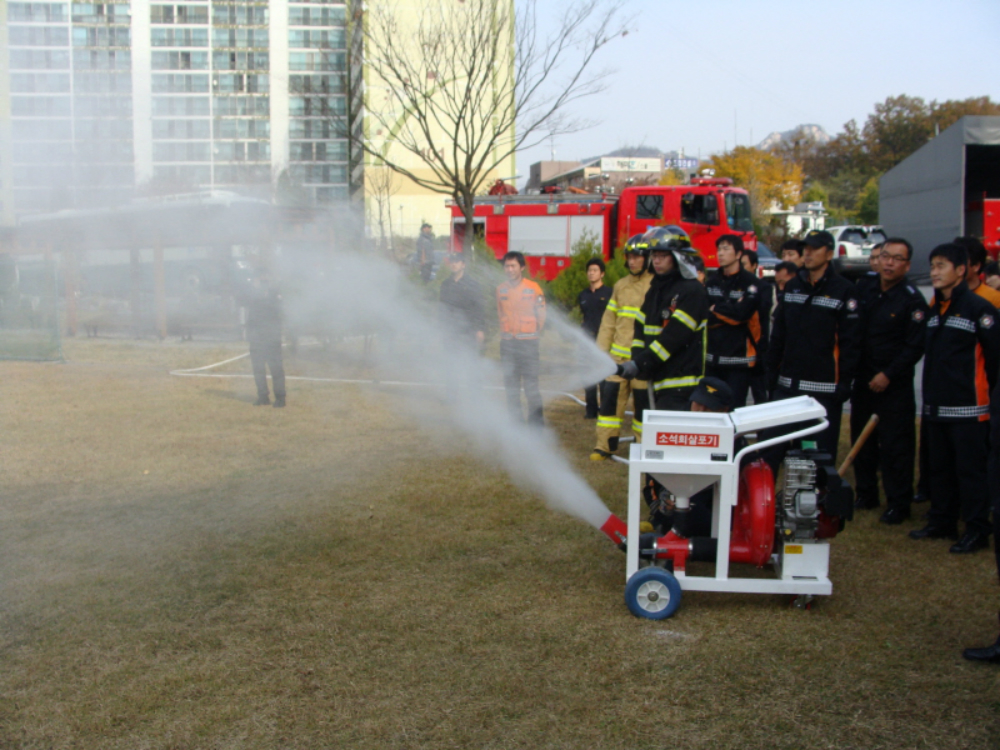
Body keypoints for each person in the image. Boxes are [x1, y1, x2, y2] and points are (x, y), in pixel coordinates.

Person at [910, 242, 1000, 553]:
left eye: (941, 266)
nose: (934, 272)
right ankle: (942, 521)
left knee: (970, 473)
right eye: (932, 266)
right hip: (937, 406)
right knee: (939, 469)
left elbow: (994, 361)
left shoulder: (980, 310)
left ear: (961, 271)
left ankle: (977, 529)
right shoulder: (935, 309)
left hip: (969, 410)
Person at [849, 238, 928, 524]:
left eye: (897, 258)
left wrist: (888, 375)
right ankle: (866, 493)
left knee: (896, 447)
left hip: (893, 384)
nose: (889, 263)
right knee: (862, 440)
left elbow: (914, 346)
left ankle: (898, 503)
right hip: (863, 379)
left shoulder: (912, 300)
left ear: (906, 265)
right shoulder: (865, 288)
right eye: (885, 256)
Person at [765, 229, 860, 462]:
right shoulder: (793, 285)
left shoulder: (844, 290)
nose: (807, 253)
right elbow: (779, 335)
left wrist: (845, 382)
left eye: (814, 249)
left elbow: (851, 342)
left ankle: (818, 497)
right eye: (805, 248)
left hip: (824, 391)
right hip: (787, 387)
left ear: (829, 254)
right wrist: (770, 375)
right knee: (770, 450)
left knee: (814, 457)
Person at [617, 225, 709, 411]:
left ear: (677, 257)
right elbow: (640, 326)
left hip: (682, 384)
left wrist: (640, 363)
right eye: (654, 256)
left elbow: (673, 337)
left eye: (662, 256)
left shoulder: (692, 291)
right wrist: (638, 358)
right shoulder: (657, 289)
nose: (656, 261)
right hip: (659, 379)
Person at [591, 235, 653, 460]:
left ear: (648, 258)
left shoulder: (655, 285)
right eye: (630, 257)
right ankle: (604, 446)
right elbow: (608, 321)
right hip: (617, 359)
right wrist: (601, 351)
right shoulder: (621, 286)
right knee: (609, 406)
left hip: (642, 360)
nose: (633, 261)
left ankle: (643, 445)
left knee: (643, 407)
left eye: (637, 257)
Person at [705, 234, 760, 407]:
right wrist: (730, 309)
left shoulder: (750, 283)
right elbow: (705, 315)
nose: (720, 254)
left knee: (734, 410)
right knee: (711, 408)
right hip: (712, 360)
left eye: (726, 249)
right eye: (719, 249)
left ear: (738, 254)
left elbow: (741, 315)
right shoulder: (711, 282)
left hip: (738, 362)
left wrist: (717, 308)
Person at [497, 251, 546, 425]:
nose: (509, 269)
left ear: (522, 267)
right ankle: (516, 425)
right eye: (506, 266)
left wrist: (531, 333)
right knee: (511, 389)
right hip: (508, 345)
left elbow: (541, 315)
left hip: (528, 346)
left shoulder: (534, 288)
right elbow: (500, 313)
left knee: (531, 388)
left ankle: (536, 426)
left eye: (513, 266)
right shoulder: (500, 289)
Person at [241, 268, 286, 408]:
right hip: (256, 335)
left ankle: (280, 398)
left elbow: (278, 310)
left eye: (264, 278)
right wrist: (252, 288)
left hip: (271, 335)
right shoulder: (252, 293)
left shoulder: (275, 293)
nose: (262, 281)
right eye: (259, 278)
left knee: (276, 368)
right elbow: (242, 300)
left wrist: (269, 291)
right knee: (258, 368)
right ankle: (262, 396)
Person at [578, 257, 612, 419]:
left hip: (604, 340)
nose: (591, 273)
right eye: (589, 271)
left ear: (602, 274)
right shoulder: (582, 295)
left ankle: (605, 409)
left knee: (604, 377)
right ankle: (591, 410)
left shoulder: (609, 293)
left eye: (595, 271)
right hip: (587, 342)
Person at [742, 249, 775, 404]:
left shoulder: (764, 287)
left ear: (754, 265)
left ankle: (763, 429)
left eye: (744, 264)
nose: (740, 268)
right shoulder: (732, 286)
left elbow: (760, 311)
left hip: (758, 347)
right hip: (738, 350)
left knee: (760, 393)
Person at [439, 252, 485, 348]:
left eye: (457, 261)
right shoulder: (445, 284)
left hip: (468, 331)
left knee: (468, 360)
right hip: (450, 331)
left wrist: (480, 330)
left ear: (463, 264)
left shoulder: (473, 284)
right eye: (452, 261)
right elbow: (442, 308)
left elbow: (479, 308)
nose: (454, 264)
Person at [954, 235, 1000, 308]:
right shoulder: (943, 298)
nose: (954, 265)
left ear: (976, 266)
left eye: (960, 260)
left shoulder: (995, 299)